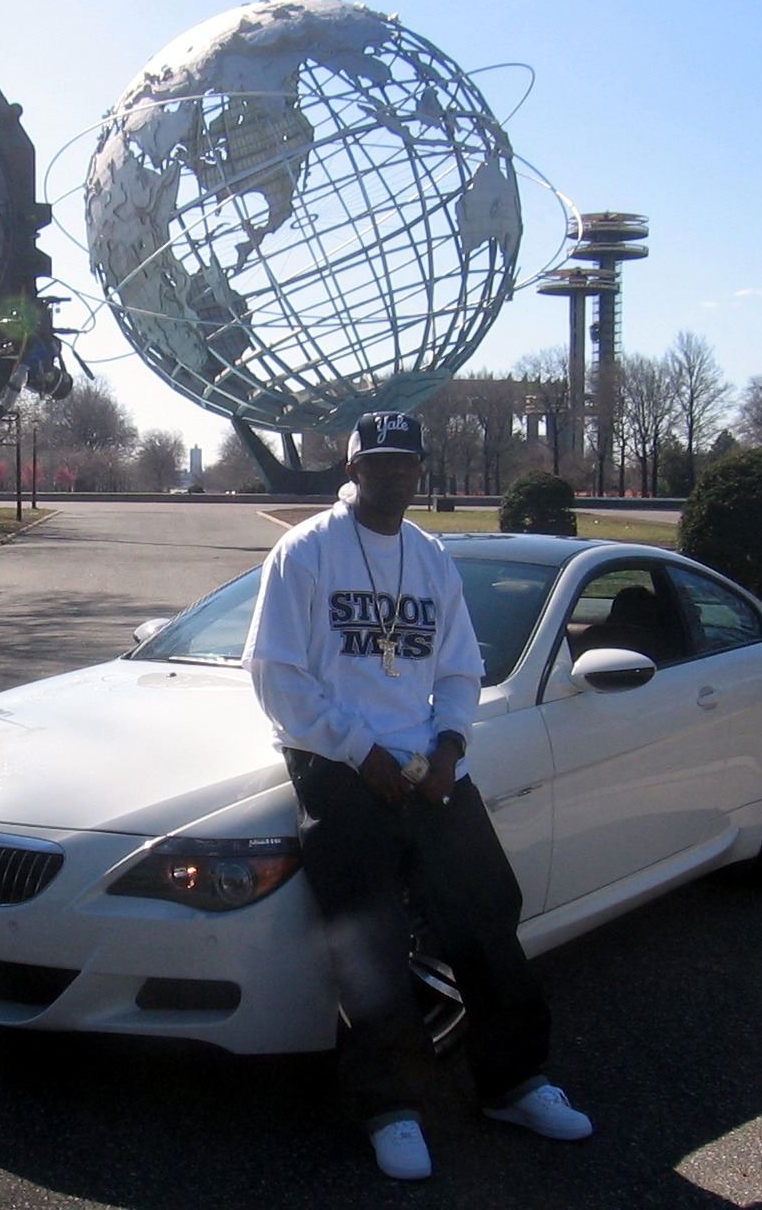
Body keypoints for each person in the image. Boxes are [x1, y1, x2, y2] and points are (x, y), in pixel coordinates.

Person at [242, 410, 592, 1182]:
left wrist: (450, 744)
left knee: (487, 916)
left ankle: (513, 1083)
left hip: (432, 770)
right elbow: (275, 673)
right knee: (369, 945)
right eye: (381, 462)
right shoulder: (305, 552)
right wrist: (357, 750)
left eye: (408, 464)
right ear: (354, 466)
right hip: (340, 771)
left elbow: (461, 668)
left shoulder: (431, 559)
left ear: (420, 472)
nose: (395, 475)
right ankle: (390, 1109)